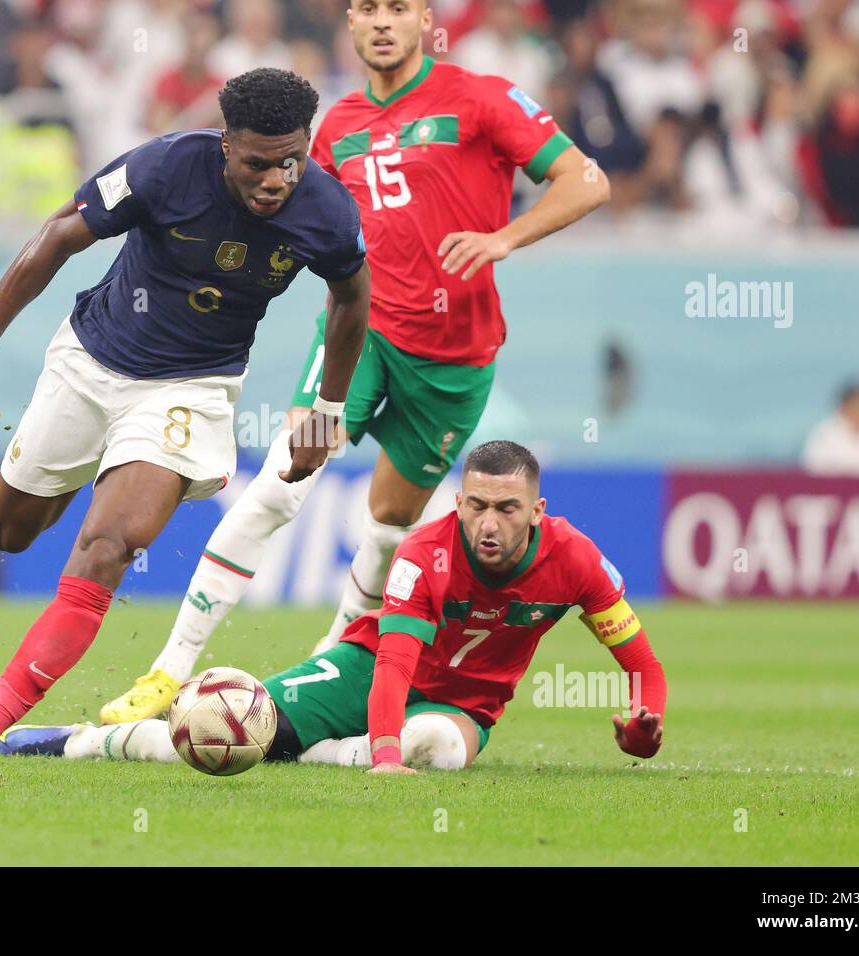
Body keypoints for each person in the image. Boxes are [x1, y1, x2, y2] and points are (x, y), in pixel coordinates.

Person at [101, 0, 610, 723]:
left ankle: (336, 651)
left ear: (423, 17)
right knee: (284, 478)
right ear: (348, 19)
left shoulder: (482, 98)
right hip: (361, 342)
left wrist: (505, 238)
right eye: (367, 6)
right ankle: (167, 670)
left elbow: (587, 181)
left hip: (453, 368)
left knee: (387, 528)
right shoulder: (334, 128)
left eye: (397, 6)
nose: (381, 21)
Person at [0, 68, 371, 783]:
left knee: (109, 545)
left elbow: (351, 297)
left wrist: (328, 410)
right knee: (8, 532)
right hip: (91, 361)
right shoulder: (164, 167)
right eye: (257, 163)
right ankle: (87, 468)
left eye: (292, 159)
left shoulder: (326, 210)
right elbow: (58, 236)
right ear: (226, 146)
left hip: (191, 390)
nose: (277, 179)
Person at [0, 441, 667, 772]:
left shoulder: (576, 560)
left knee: (436, 747)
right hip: (365, 669)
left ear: (536, 512)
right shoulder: (424, 554)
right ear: (459, 503)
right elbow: (396, 666)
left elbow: (643, 666)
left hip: (462, 708)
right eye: (478, 506)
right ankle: (80, 743)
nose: (489, 524)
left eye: (507, 509)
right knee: (227, 729)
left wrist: (646, 723)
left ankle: (324, 752)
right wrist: (381, 757)